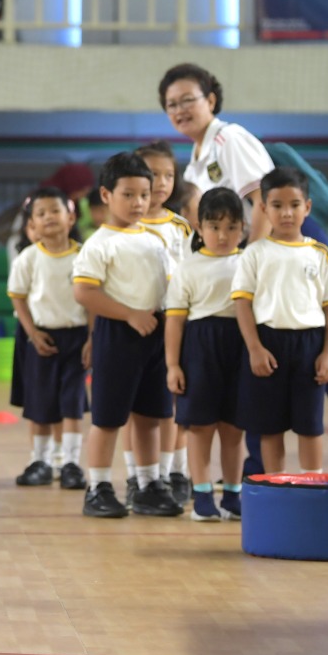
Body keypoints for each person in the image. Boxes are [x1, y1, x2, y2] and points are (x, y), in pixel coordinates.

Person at [159, 62, 328, 477]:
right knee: (270, 352)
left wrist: (254, 258)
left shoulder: (229, 139)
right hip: (259, 253)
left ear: (210, 99)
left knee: (319, 345)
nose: (180, 109)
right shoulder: (195, 162)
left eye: (188, 100)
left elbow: (262, 201)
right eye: (170, 104)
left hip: (286, 242)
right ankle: (259, 466)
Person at [72, 152, 178, 519]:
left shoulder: (154, 240)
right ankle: (97, 486)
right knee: (108, 417)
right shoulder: (100, 243)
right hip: (119, 335)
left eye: (144, 195)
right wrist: (129, 314)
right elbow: (84, 292)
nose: (138, 203)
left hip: (155, 334)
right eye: (128, 195)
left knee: (149, 416)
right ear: (106, 195)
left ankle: (148, 485)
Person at [232, 168, 328, 475]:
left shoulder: (320, 254)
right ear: (264, 209)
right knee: (270, 427)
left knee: (310, 426)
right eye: (277, 205)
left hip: (309, 344)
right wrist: (254, 347)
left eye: (294, 205)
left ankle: (313, 484)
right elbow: (242, 303)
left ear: (307, 207)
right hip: (268, 343)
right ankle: (275, 484)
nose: (286, 213)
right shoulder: (254, 254)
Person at [164, 187, 247, 523]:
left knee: (233, 428)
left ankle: (232, 495)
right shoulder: (188, 268)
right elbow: (175, 321)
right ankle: (201, 495)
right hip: (200, 347)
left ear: (243, 227)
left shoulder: (249, 262)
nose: (223, 235)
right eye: (214, 227)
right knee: (200, 427)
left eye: (231, 227)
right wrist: (172, 364)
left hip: (240, 346)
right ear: (199, 227)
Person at [7, 186, 89, 490]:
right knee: (40, 404)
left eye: (55, 210)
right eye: (41, 214)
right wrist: (32, 334)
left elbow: (92, 300)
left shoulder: (84, 255)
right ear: (32, 224)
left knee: (72, 404)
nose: (49, 217)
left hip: (76, 338)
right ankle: (39, 461)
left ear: (70, 216)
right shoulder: (27, 259)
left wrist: (92, 339)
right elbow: (18, 298)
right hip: (40, 338)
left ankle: (69, 463)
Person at [136, 140, 193, 505]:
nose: (161, 182)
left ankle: (176, 470)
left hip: (177, 324)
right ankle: (140, 476)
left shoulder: (183, 228)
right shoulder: (126, 227)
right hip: (138, 325)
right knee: (138, 409)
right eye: (153, 174)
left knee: (177, 402)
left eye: (168, 174)